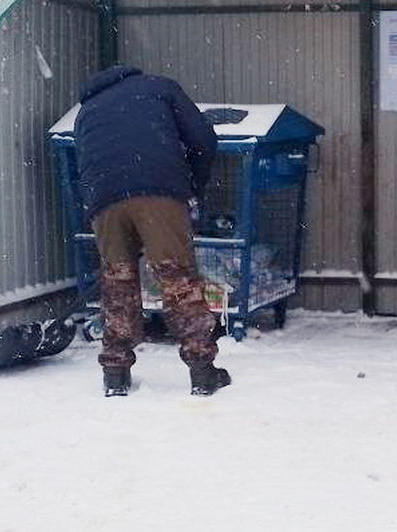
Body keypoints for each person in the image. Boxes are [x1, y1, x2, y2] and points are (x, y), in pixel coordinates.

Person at [73, 65, 230, 397]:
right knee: (177, 279)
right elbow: (203, 139)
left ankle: (115, 373)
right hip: (158, 192)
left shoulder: (86, 111)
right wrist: (191, 187)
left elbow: (83, 164)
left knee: (118, 282)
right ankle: (202, 370)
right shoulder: (160, 88)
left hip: (104, 201)